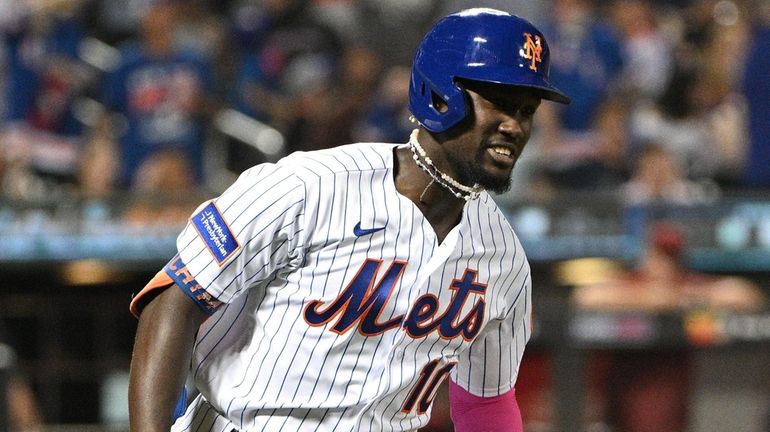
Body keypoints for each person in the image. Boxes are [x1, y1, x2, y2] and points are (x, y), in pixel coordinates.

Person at [128, 8, 570, 432]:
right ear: (440, 94)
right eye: (499, 102)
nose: (515, 126)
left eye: (526, 110)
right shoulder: (310, 186)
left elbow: (486, 403)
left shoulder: (504, 259)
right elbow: (173, 300)